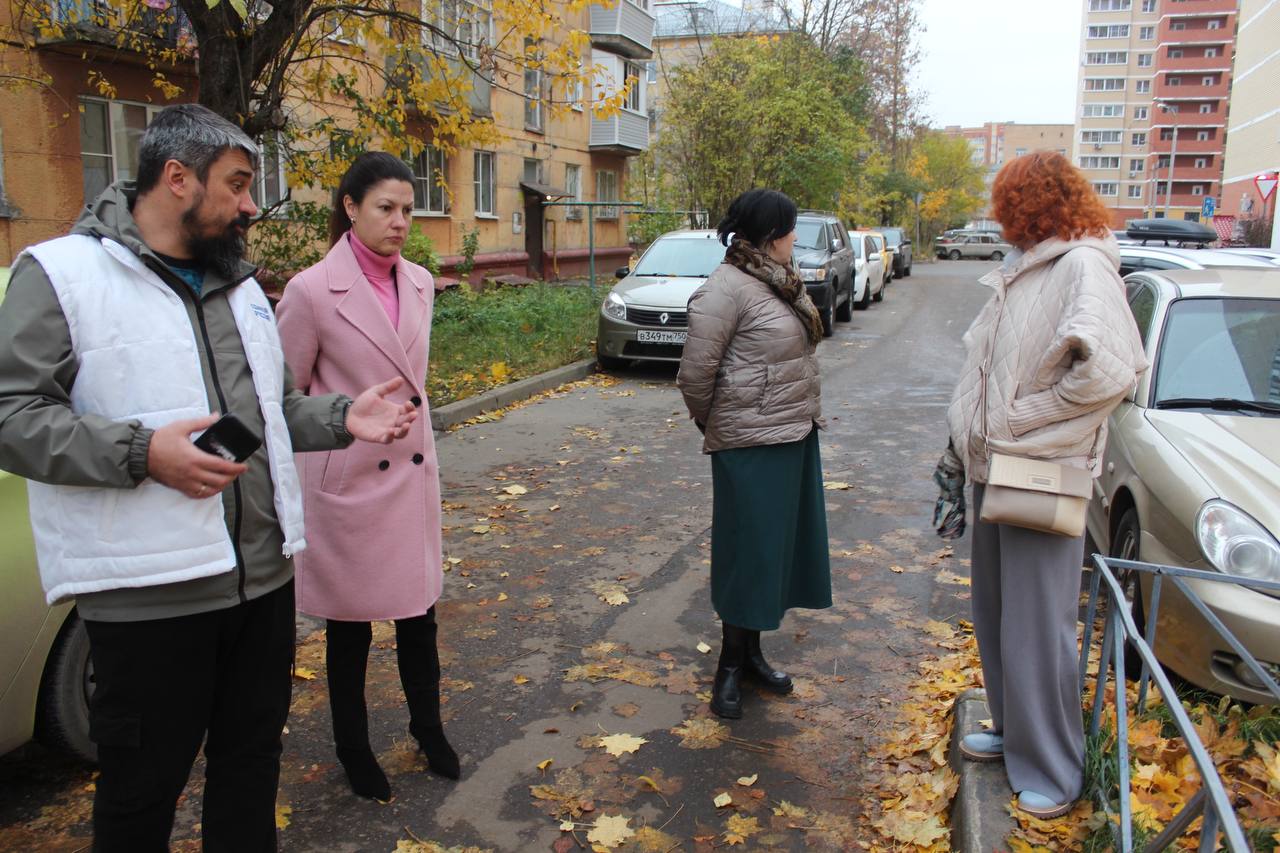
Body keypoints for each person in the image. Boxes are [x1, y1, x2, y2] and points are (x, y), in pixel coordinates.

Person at [0, 104, 419, 852]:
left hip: (262, 585)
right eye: (237, 184)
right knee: (141, 796)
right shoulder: (63, 275)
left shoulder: (239, 286)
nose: (251, 205)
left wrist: (339, 416)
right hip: (150, 598)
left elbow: (267, 411)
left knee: (250, 771)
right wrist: (141, 452)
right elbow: (12, 416)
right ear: (177, 178)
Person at [939, 150, 1147, 819]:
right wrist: (961, 448)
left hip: (1039, 469)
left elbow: (1111, 371)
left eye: (1007, 203)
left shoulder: (1081, 265)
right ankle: (1014, 732)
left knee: (1038, 624)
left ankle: (1054, 769)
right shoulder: (1030, 267)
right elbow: (985, 369)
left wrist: (1023, 419)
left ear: (1029, 202)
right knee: (1000, 613)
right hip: (998, 467)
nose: (1000, 216)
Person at [275, 152, 457, 801]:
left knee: (419, 616)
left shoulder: (420, 282)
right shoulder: (310, 291)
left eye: (408, 209)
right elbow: (282, 398)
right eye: (386, 207)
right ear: (351, 208)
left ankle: (428, 729)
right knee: (349, 629)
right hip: (349, 481)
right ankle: (353, 748)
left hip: (409, 473)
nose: (401, 221)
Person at [676, 188, 832, 720]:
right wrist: (719, 424)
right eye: (790, 229)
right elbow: (695, 376)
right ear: (770, 236)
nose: (795, 238)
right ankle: (728, 665)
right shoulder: (725, 289)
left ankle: (752, 657)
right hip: (749, 445)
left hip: (793, 434)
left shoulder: (778, 280)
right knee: (746, 555)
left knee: (773, 555)